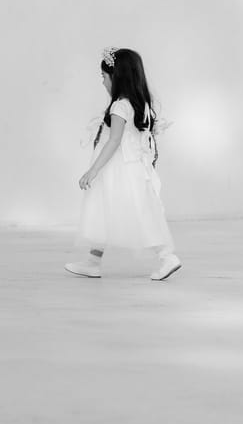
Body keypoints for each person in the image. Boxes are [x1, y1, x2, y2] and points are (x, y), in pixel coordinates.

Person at [65, 47, 181, 282]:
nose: (102, 82)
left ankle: (167, 256)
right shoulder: (140, 104)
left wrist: (93, 170)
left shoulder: (119, 106)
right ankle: (93, 261)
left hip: (119, 169)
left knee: (134, 213)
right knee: (111, 211)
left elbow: (114, 140)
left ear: (116, 78)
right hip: (135, 166)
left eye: (104, 77)